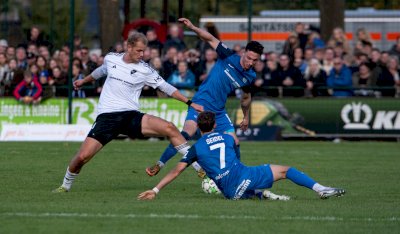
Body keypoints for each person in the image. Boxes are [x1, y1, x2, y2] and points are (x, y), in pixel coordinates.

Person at [52, 32, 203, 193]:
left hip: (130, 116)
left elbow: (166, 87)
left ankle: (198, 167)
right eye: (139, 50)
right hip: (107, 118)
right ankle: (65, 185)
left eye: (143, 51)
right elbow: (101, 71)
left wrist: (189, 102)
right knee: (82, 157)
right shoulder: (111, 59)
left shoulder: (145, 70)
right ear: (129, 47)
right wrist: (83, 81)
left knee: (169, 128)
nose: (142, 54)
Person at [146, 17, 264, 177]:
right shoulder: (228, 56)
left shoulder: (249, 76)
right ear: (243, 53)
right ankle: (159, 164)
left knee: (235, 142)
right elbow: (210, 38)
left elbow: (246, 98)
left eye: (254, 60)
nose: (250, 62)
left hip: (219, 111)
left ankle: (237, 177)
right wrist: (193, 28)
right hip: (200, 103)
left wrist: (246, 117)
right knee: (185, 134)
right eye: (248, 58)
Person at [138, 111, 346, 201]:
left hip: (228, 191)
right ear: (215, 125)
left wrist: (155, 189)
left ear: (199, 128)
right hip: (241, 175)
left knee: (244, 188)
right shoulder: (226, 137)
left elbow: (177, 170)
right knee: (286, 170)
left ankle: (259, 194)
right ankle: (320, 189)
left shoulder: (196, 148)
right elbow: (235, 144)